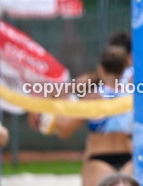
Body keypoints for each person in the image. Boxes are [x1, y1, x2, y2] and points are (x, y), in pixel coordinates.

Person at [34, 46, 134, 186]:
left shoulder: (93, 98)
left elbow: (65, 130)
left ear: (101, 69)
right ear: (124, 70)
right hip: (129, 160)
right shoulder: (132, 96)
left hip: (100, 160)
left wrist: (55, 116)